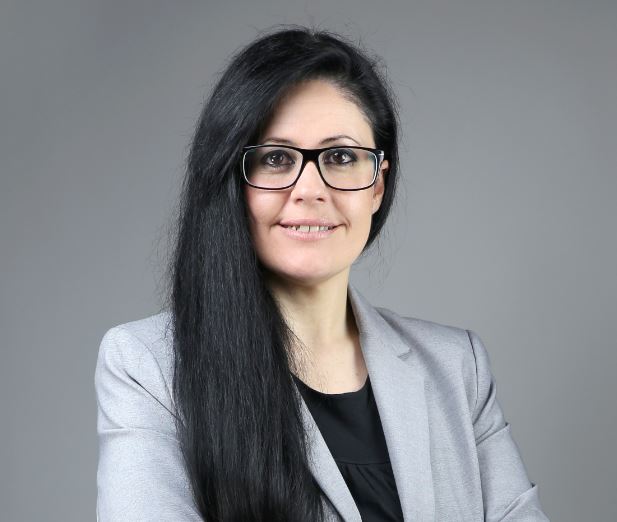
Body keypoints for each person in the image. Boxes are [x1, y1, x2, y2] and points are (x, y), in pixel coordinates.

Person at [94, 26, 550, 522]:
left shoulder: (457, 367)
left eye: (341, 157)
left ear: (377, 186)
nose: (310, 189)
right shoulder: (148, 367)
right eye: (276, 158)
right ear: (232, 181)